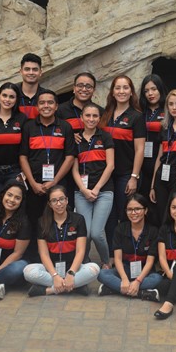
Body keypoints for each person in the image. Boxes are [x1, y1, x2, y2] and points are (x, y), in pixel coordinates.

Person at [23, 186, 100, 296]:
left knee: (94, 269)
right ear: (49, 204)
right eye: (54, 201)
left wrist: (71, 273)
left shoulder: (78, 219)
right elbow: (44, 254)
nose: (59, 204)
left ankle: (50, 290)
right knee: (28, 271)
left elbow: (80, 251)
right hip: (51, 270)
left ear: (67, 200)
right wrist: (54, 275)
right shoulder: (42, 222)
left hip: (74, 269)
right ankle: (74, 286)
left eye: (61, 199)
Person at [19, 89, 75, 233]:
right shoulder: (29, 127)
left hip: (58, 182)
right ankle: (35, 248)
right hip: (34, 184)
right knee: (33, 220)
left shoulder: (65, 127)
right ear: (37, 107)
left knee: (59, 219)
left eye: (50, 102)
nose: (46, 106)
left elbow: (70, 157)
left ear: (56, 106)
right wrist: (32, 183)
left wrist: (54, 181)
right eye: (42, 103)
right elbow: (23, 156)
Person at [101, 75, 147, 252]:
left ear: (131, 92)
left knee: (126, 214)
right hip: (106, 174)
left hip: (126, 174)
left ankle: (129, 253)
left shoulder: (137, 117)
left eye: (125, 88)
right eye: (118, 88)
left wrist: (134, 177)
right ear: (112, 92)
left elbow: (140, 149)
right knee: (109, 216)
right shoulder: (105, 115)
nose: (121, 91)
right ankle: (113, 255)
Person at [97, 194, 163, 300]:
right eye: (129, 210)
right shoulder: (120, 229)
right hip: (125, 270)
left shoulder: (153, 231)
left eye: (137, 209)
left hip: (144, 272)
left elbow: (150, 262)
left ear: (145, 210)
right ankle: (142, 293)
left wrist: (138, 281)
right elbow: (117, 259)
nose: (133, 213)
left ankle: (114, 289)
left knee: (157, 278)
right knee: (102, 274)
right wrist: (124, 279)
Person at [72, 102, 115, 265]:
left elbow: (110, 165)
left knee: (97, 233)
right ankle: (84, 263)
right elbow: (74, 169)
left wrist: (96, 189)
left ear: (99, 118)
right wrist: (83, 189)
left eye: (95, 116)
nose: (91, 119)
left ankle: (106, 262)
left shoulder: (105, 137)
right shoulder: (75, 139)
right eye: (88, 115)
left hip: (103, 191)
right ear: (81, 117)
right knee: (86, 233)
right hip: (81, 192)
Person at [149, 89, 176, 223]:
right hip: (162, 176)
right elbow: (159, 157)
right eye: (171, 104)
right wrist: (152, 185)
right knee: (161, 215)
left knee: (175, 216)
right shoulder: (164, 127)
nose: (174, 107)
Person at [139, 74, 168, 202]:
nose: (150, 93)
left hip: (161, 160)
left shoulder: (169, 110)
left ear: (160, 89)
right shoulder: (139, 111)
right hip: (141, 162)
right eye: (146, 91)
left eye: (154, 89)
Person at [58, 72, 102, 136]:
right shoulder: (60, 110)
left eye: (88, 86)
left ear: (94, 90)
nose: (84, 89)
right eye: (80, 86)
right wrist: (69, 136)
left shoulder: (101, 112)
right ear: (74, 88)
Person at [17, 53, 46, 119]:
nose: (31, 73)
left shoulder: (46, 96)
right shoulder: (12, 94)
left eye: (35, 69)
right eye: (27, 69)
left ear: (40, 72)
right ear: (21, 71)